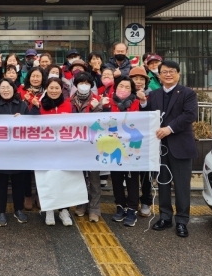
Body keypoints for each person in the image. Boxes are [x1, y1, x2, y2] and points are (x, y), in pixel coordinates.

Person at [142, 60, 198, 238]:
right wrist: (143, 103)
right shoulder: (154, 94)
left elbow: (190, 115)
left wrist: (170, 128)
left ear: (178, 74)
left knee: (182, 186)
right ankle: (165, 217)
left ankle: (182, 221)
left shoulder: (188, 93)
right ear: (159, 75)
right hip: (160, 147)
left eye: (172, 71)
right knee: (163, 184)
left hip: (180, 145)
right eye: (164, 72)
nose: (168, 74)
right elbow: (148, 115)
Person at [0, 78, 35, 226]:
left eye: (8, 87)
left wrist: (23, 120)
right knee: (1, 182)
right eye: (2, 87)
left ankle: (18, 209)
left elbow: (30, 126)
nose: (5, 90)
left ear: (14, 89)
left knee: (18, 181)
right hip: (0, 150)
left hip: (18, 150)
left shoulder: (22, 105)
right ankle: (1, 212)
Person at [108, 75, 144, 228]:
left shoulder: (137, 103)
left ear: (132, 90)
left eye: (127, 87)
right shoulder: (108, 103)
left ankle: (132, 209)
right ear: (115, 87)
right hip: (114, 146)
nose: (124, 89)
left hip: (131, 146)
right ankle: (120, 205)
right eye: (121, 86)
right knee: (116, 177)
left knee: (131, 178)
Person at [39, 77, 74, 227]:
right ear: (46, 89)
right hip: (45, 149)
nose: (54, 91)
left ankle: (64, 210)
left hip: (64, 150)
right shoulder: (39, 105)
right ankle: (49, 209)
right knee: (48, 179)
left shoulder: (68, 105)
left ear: (62, 89)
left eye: (57, 88)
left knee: (64, 179)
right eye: (51, 88)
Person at [69, 72, 103, 222]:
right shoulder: (70, 101)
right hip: (76, 144)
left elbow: (103, 122)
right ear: (76, 85)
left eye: (87, 83)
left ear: (91, 85)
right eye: (81, 82)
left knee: (94, 177)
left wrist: (96, 108)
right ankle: (81, 204)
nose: (84, 85)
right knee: (80, 177)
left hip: (93, 144)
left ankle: (95, 208)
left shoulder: (97, 100)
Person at [18, 66, 46, 209]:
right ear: (29, 78)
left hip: (42, 134)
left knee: (40, 167)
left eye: (38, 76)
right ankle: (27, 195)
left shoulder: (47, 92)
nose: (35, 79)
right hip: (24, 134)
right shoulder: (21, 91)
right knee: (26, 169)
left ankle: (40, 195)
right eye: (33, 76)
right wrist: (25, 102)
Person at [129, 66, 153, 216]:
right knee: (130, 173)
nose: (138, 81)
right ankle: (131, 202)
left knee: (145, 173)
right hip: (128, 139)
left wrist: (143, 100)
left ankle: (145, 201)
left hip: (145, 139)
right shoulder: (125, 95)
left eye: (141, 79)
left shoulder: (152, 95)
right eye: (135, 79)